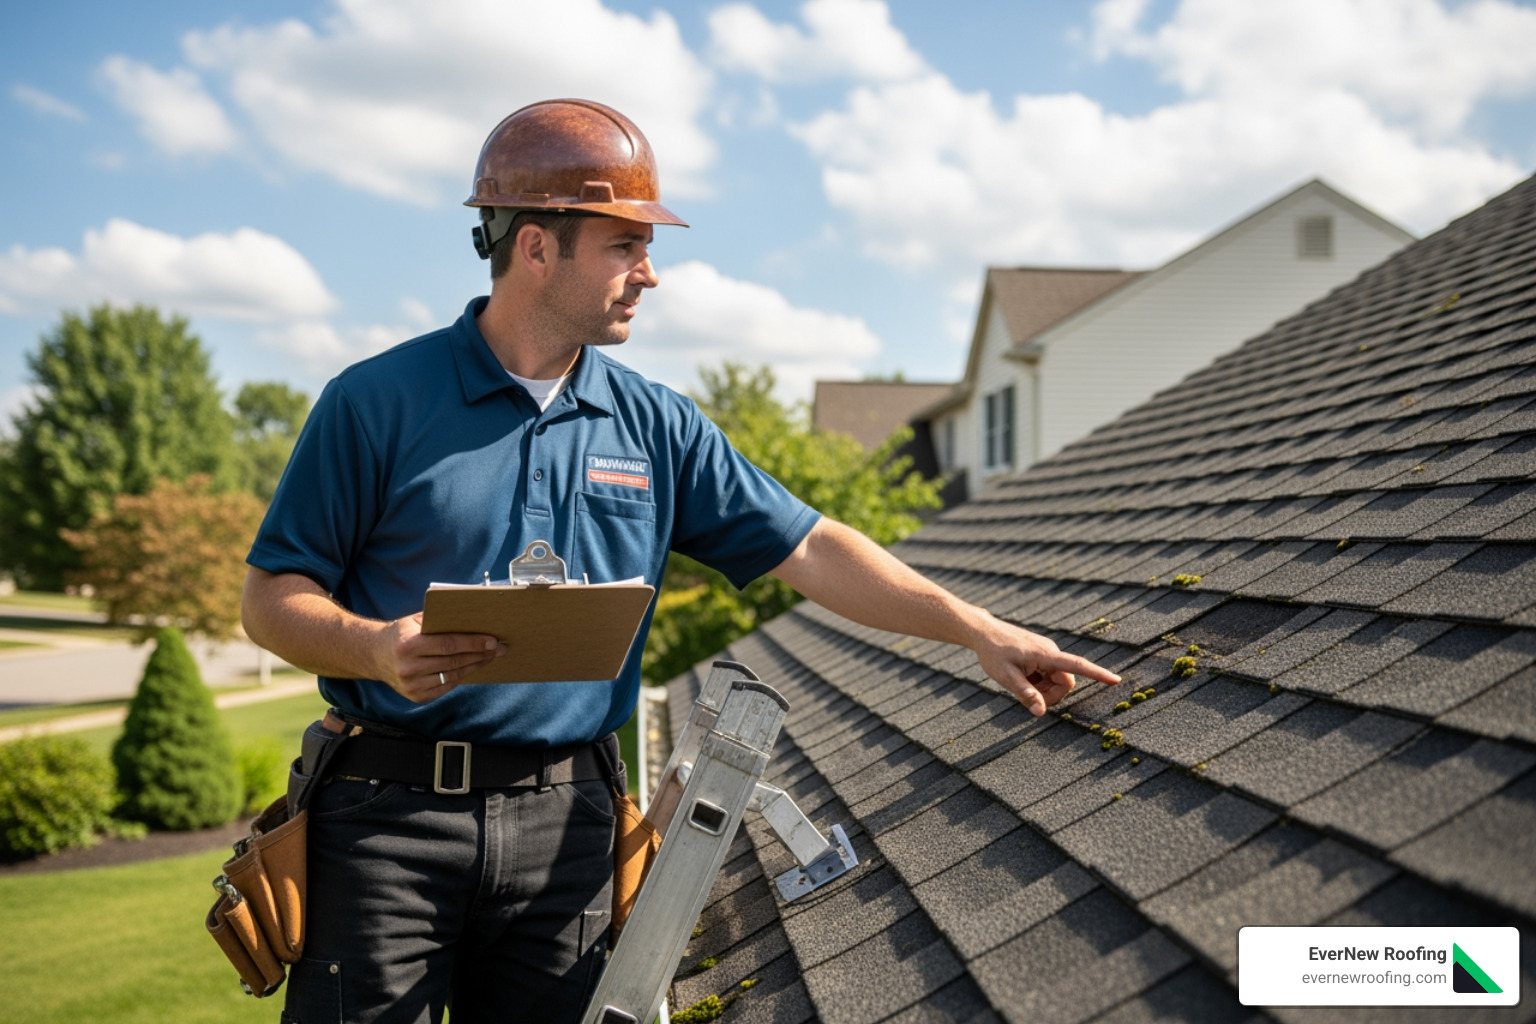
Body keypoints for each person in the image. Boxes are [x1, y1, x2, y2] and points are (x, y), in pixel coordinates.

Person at [241, 98, 1119, 1024]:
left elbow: (813, 546)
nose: (648, 275)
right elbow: (271, 597)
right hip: (387, 825)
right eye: (625, 246)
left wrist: (977, 631)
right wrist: (376, 647)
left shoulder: (655, 425)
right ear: (536, 246)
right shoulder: (374, 402)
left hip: (569, 828)